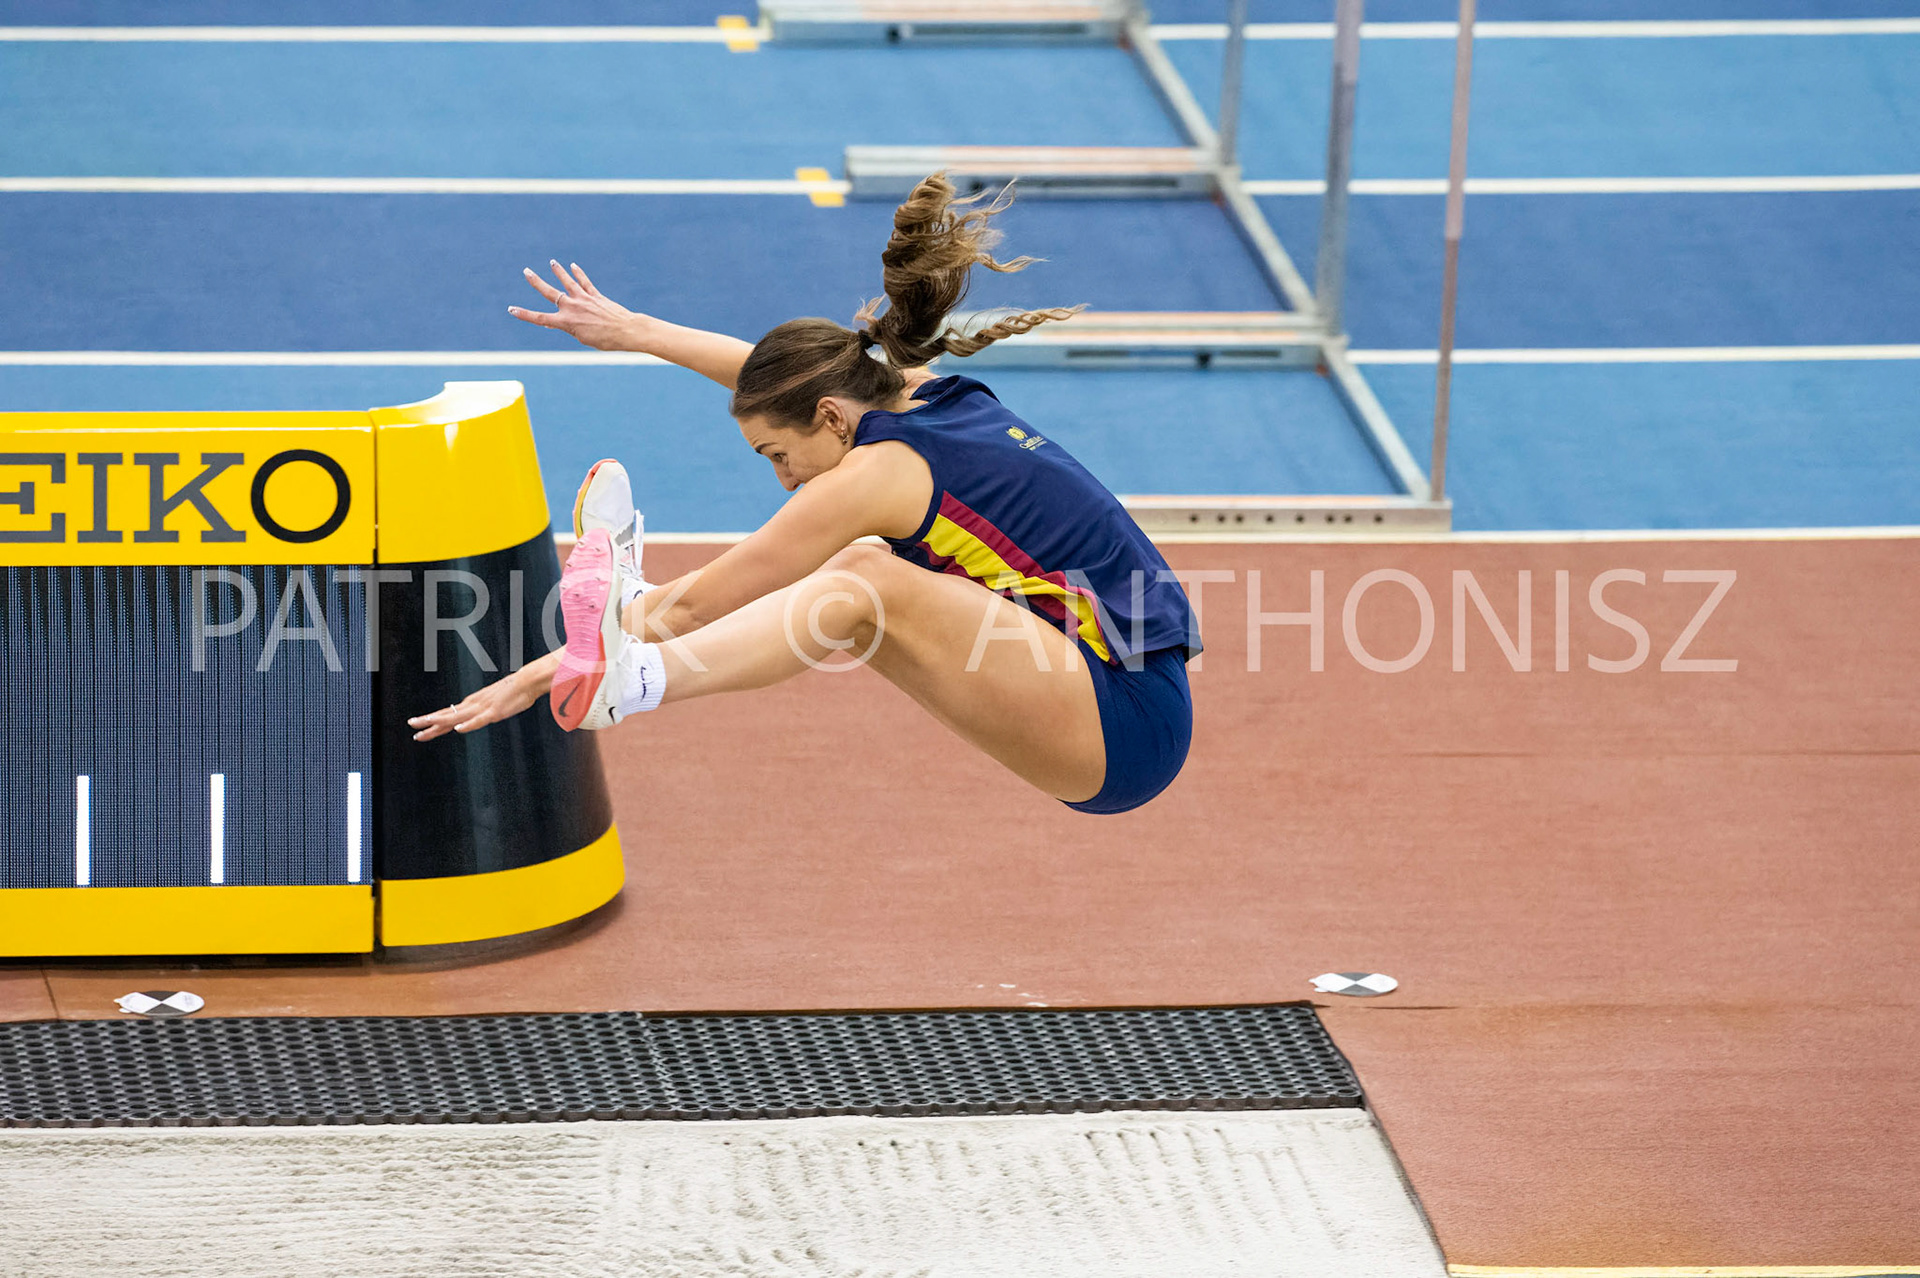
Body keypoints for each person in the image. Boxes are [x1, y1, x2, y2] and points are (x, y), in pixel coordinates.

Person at [408, 174, 1201, 814]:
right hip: (1082, 687)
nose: (785, 478)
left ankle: (632, 678)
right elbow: (781, 379)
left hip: (1124, 719)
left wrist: (548, 671)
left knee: (866, 577)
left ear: (830, 418)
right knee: (849, 590)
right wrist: (639, 333)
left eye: (778, 456)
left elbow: (699, 606)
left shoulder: (878, 474)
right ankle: (626, 643)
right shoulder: (910, 392)